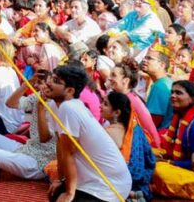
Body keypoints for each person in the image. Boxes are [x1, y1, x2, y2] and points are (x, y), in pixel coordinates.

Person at [44, 64, 132, 202]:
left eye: (56, 81)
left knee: (64, 197)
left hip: (109, 186)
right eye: (51, 78)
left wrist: (69, 192)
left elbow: (69, 152)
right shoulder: (56, 105)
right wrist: (60, 179)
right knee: (55, 193)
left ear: (69, 90)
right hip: (89, 181)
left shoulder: (69, 107)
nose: (47, 83)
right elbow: (61, 147)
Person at [0, 69, 55, 182]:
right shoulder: (38, 96)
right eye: (39, 83)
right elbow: (10, 103)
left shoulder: (58, 106)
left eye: (46, 84)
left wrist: (40, 108)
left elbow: (44, 139)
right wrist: (26, 84)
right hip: (26, 149)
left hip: (38, 164)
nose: (38, 86)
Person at [99, 91, 156, 201]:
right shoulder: (133, 128)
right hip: (136, 185)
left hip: (116, 184)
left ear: (116, 113)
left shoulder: (109, 132)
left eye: (105, 104)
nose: (100, 105)